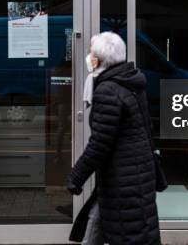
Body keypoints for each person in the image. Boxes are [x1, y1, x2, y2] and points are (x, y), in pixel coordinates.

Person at [68, 32, 161, 245]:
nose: (89, 57)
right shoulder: (130, 83)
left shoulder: (108, 90)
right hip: (135, 173)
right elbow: (148, 129)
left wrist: (76, 176)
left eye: (91, 53)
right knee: (99, 220)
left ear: (99, 60)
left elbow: (99, 144)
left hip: (123, 177)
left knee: (129, 234)